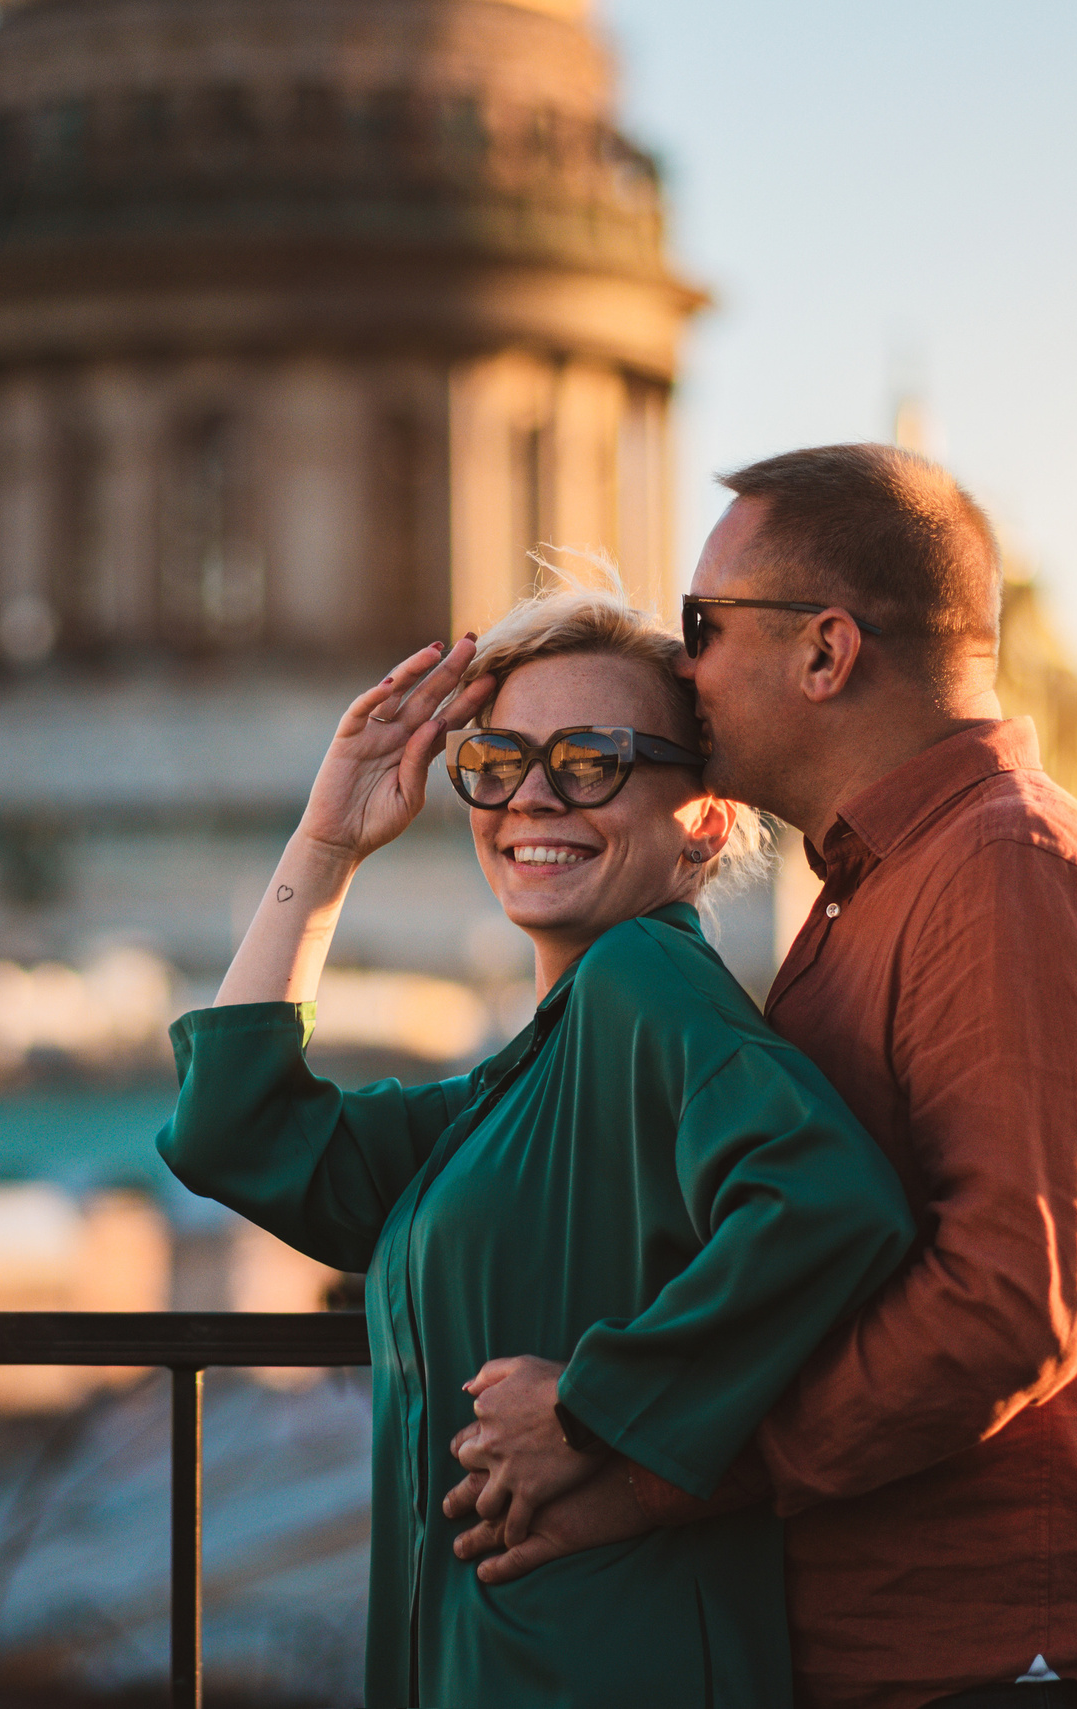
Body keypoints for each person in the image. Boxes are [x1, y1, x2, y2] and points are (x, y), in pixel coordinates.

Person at [448, 445, 1077, 1709]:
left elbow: (1005, 1302)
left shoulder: (1007, 868)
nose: (682, 667)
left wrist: (644, 1456)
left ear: (826, 651)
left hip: (1015, 1663)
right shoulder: (884, 887)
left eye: (703, 626)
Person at [156, 581, 916, 1707]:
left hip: (609, 1654)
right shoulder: (516, 1091)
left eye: (593, 758)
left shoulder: (643, 979)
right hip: (499, 1657)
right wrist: (324, 844)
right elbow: (236, 1128)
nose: (531, 798)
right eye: (496, 760)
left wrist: (590, 1405)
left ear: (703, 816)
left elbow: (830, 1200)